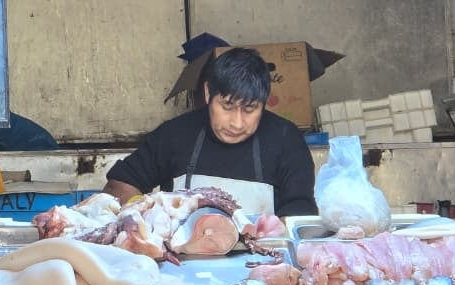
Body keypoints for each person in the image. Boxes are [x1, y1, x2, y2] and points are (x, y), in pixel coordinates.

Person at [103, 47, 318, 219]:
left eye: (250, 109)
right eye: (227, 106)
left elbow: (301, 210)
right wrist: (141, 216)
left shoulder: (286, 139)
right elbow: (121, 184)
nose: (237, 122)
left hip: (261, 263)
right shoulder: (174, 134)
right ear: (208, 93)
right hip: (182, 263)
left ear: (264, 103)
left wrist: (271, 232)